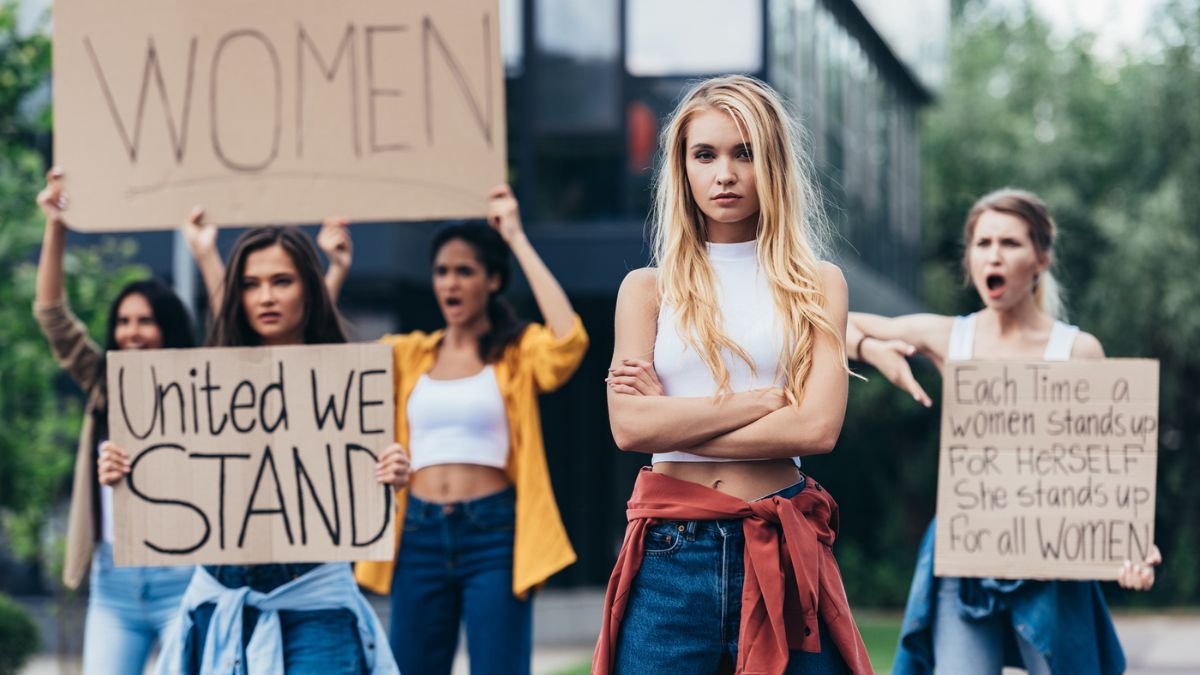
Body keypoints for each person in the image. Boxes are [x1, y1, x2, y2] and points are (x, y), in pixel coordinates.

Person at [593, 75, 872, 674]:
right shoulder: (647, 290)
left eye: (743, 153)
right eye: (705, 154)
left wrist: (669, 421)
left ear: (771, 162)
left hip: (780, 544)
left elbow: (818, 429)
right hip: (671, 555)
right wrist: (760, 404)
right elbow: (627, 427)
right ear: (682, 168)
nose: (724, 173)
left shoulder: (818, 284)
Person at [845, 188, 1162, 675]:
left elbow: (1108, 471)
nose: (994, 254)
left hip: (1049, 561)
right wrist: (871, 348)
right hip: (964, 556)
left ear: (1041, 258)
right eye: (983, 242)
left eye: (1010, 243)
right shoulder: (951, 336)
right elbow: (830, 322)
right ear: (969, 258)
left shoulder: (1078, 352)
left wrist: (1130, 543)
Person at [99, 224, 406, 674]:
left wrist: (390, 475)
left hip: (315, 601)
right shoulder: (204, 386)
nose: (265, 297)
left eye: (282, 281)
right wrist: (126, 471)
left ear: (309, 290)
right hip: (223, 597)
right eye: (250, 284)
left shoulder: (345, 384)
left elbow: (358, 507)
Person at [349, 184, 588, 675]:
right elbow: (335, 365)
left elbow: (569, 343)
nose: (450, 283)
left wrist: (517, 238)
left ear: (492, 281)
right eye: (441, 272)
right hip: (417, 530)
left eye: (465, 271)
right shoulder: (410, 353)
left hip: (494, 533)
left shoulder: (517, 352)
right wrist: (333, 270)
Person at [32, 167, 199, 674]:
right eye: (123, 322)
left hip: (184, 576)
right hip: (114, 580)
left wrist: (206, 251)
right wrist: (56, 226)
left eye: (145, 320)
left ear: (169, 327)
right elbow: (52, 316)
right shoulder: (103, 381)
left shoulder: (203, 389)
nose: (131, 332)